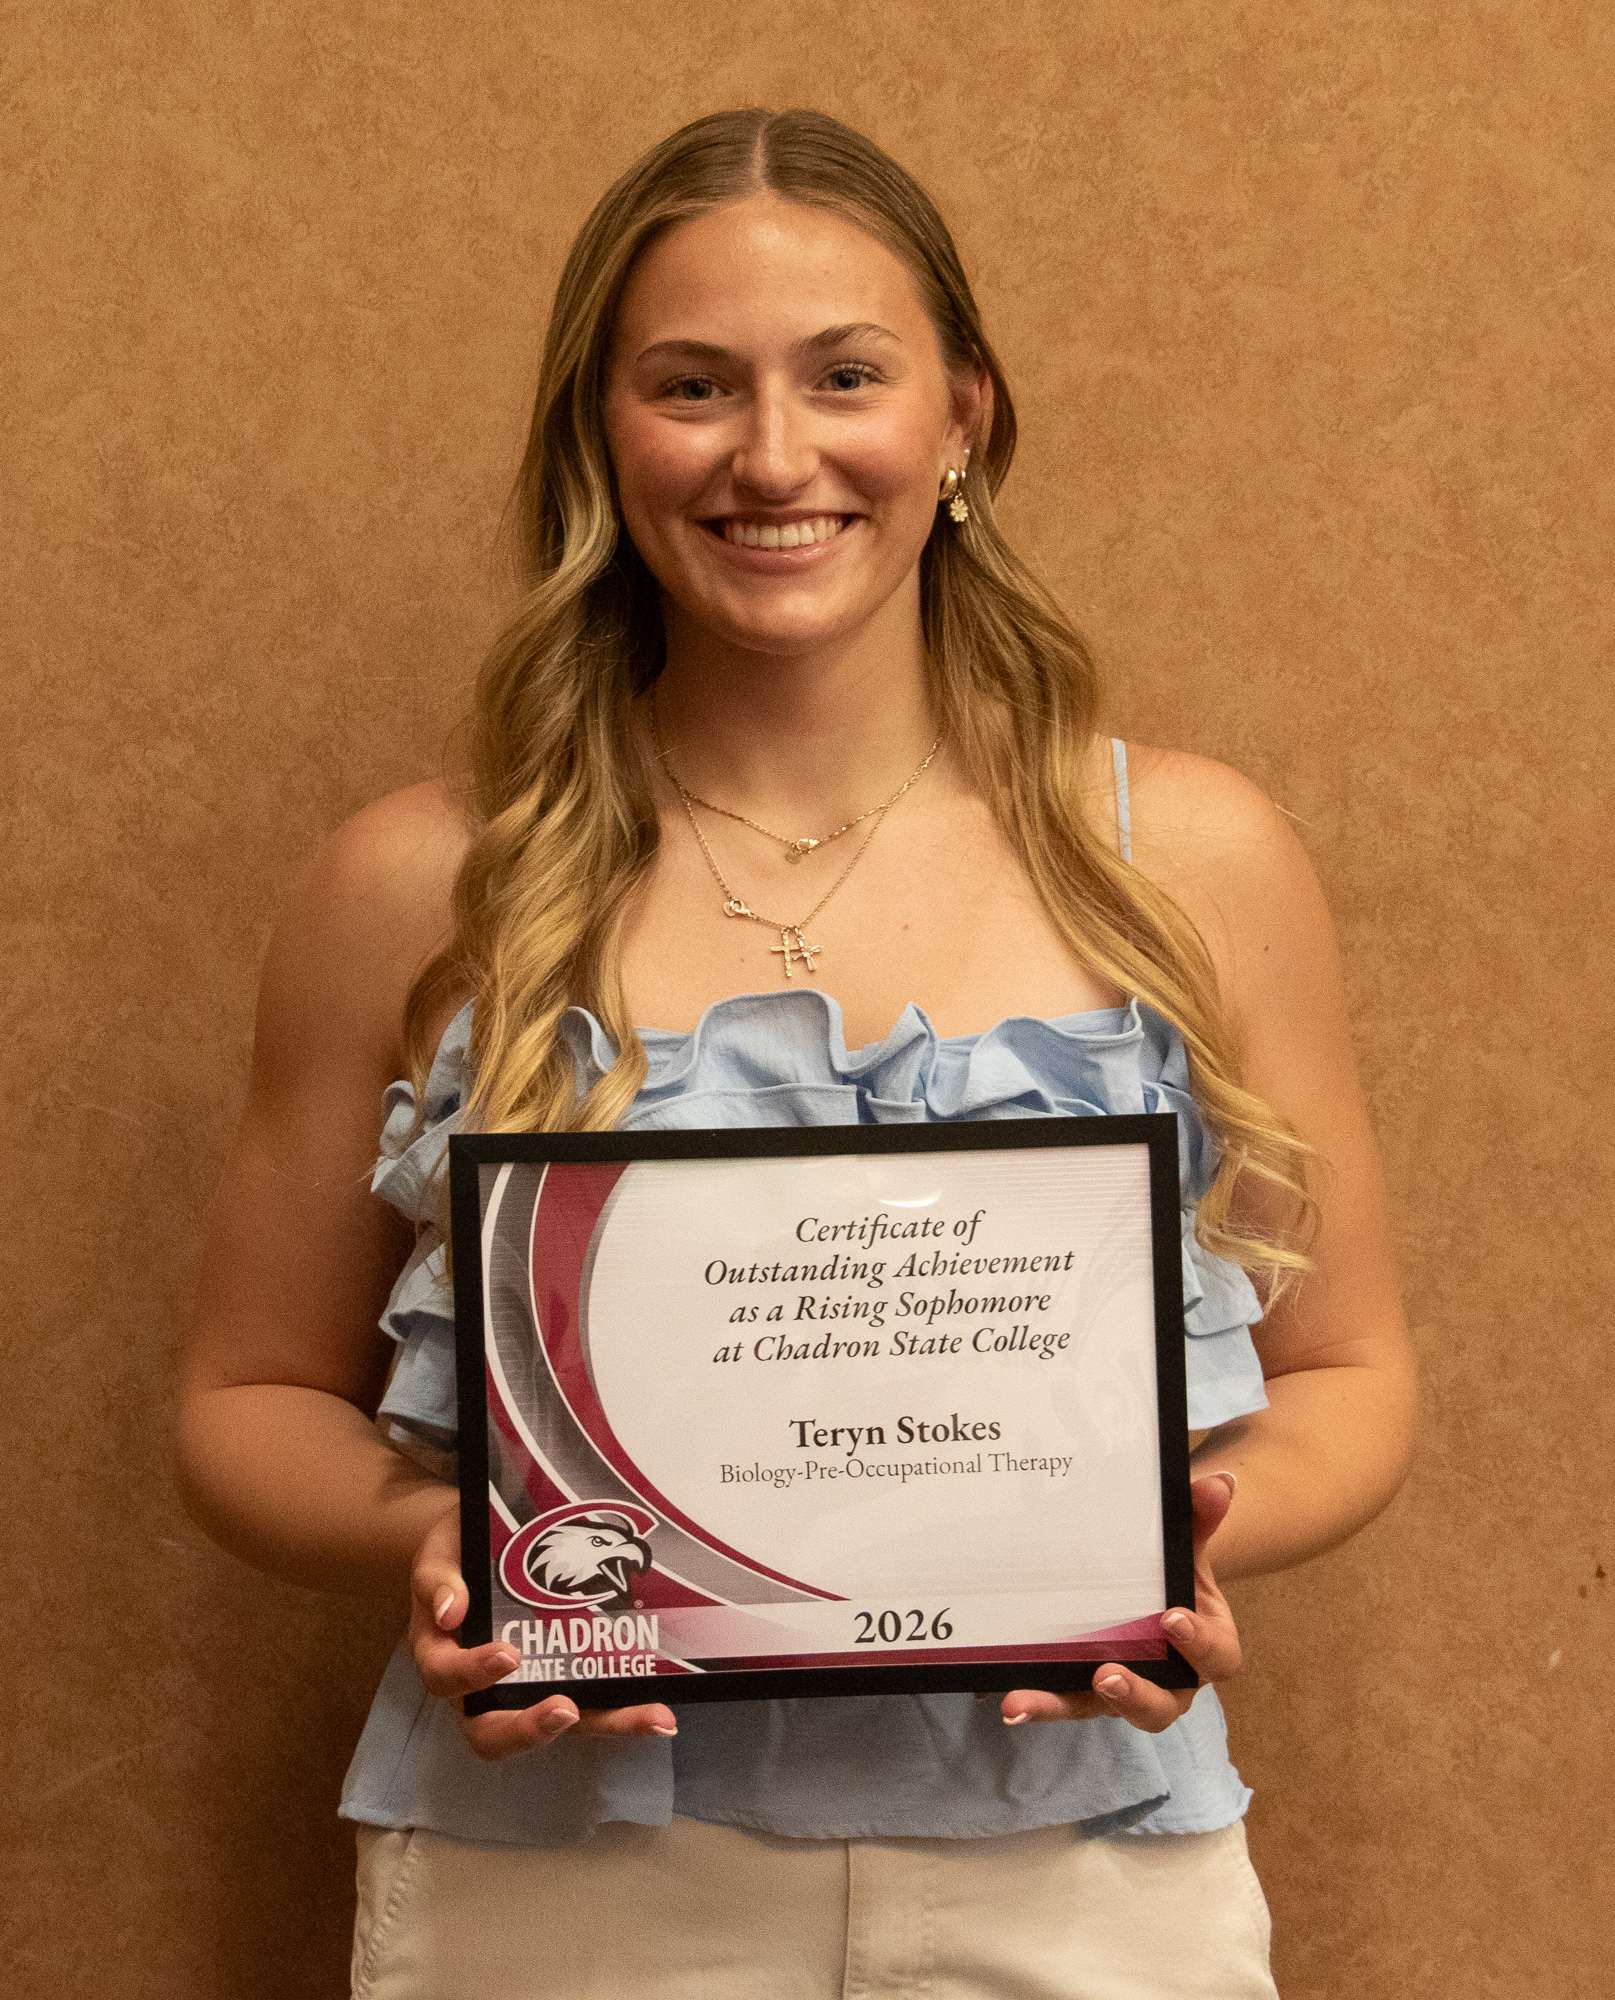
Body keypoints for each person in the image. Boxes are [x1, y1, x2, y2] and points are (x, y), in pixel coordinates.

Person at [177, 106, 1418, 1999]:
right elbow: (245, 1403)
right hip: (562, 1883)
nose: (776, 456)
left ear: (963, 415)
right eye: (692, 386)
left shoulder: (1195, 861)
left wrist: (1180, 1544)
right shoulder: (422, 883)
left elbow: (1355, 1378)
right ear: (602, 432)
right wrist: (467, 1549)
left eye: (847, 375)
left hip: (1089, 1871)